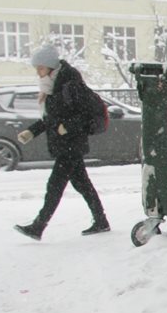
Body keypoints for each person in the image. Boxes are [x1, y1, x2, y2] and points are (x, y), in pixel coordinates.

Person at [13, 44, 110, 240]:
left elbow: (84, 114)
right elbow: (51, 119)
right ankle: (101, 221)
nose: (38, 72)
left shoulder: (70, 85)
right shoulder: (52, 85)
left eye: (40, 68)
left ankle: (38, 226)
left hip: (72, 144)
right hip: (64, 144)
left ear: (50, 66)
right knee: (83, 185)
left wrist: (68, 126)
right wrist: (32, 132)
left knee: (55, 186)